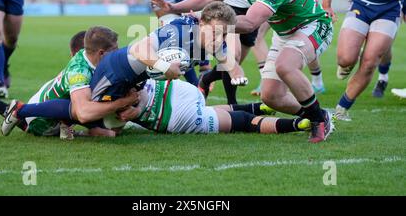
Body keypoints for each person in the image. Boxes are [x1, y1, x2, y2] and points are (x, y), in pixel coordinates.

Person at [151, 0, 334, 143]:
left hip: (313, 25)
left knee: (285, 65)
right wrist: (174, 7)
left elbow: (249, 23)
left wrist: (210, 21)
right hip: (285, 33)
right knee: (270, 97)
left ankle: (319, 121)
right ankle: (317, 115)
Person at [1, 2, 248, 134]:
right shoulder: (179, 31)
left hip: (128, 82)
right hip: (109, 80)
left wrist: (235, 68)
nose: (220, 38)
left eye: (224, 34)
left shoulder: (210, 36)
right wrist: (164, 67)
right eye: (216, 31)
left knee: (114, 128)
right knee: (87, 115)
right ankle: (22, 110)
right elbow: (139, 50)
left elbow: (221, 54)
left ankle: (55, 122)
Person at [0, 26, 139, 137]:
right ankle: (21, 109)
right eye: (114, 50)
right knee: (104, 129)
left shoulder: (91, 60)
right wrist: (124, 102)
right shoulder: (79, 72)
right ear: (101, 53)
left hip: (48, 101)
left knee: (102, 120)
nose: (117, 53)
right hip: (41, 119)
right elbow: (83, 113)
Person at [115, 78, 312, 136]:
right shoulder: (119, 64)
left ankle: (297, 124)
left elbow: (112, 129)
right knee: (211, 110)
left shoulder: (101, 90)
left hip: (174, 115)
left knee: (243, 123)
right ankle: (258, 108)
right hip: (177, 89)